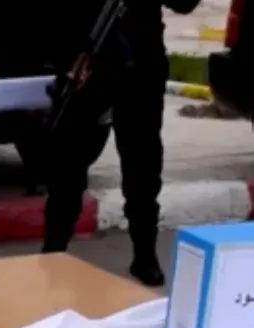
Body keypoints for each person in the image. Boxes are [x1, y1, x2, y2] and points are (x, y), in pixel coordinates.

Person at [42, 0, 201, 287]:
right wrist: (67, 56)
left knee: (143, 167)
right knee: (68, 166)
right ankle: (53, 253)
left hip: (141, 68)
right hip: (86, 64)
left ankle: (145, 255)